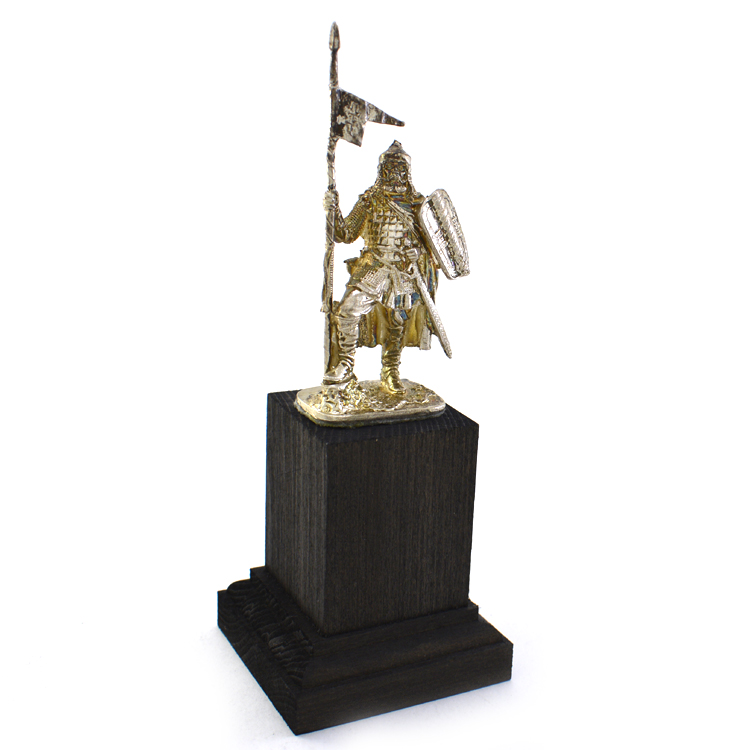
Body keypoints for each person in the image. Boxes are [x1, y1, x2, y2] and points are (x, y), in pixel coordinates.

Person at [323, 141, 438, 394]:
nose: (394, 172)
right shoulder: (370, 200)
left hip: (402, 271)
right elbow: (345, 233)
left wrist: (418, 252)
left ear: (406, 171)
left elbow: (432, 245)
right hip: (373, 266)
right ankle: (346, 364)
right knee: (347, 311)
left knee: (397, 321)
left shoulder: (418, 204)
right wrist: (333, 211)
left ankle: (390, 370)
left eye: (399, 168)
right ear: (382, 170)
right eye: (390, 167)